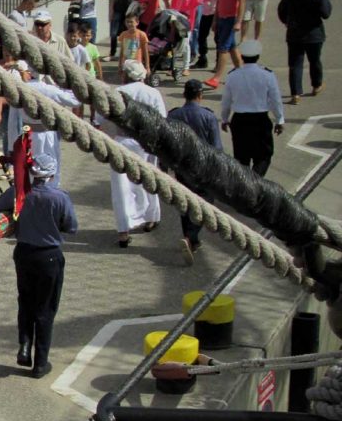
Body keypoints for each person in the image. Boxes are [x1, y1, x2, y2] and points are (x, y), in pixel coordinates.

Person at [0, 154, 77, 379]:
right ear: (51, 174)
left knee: (25, 301)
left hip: (23, 253)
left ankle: (24, 344)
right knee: (45, 309)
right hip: (49, 255)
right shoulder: (60, 197)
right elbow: (71, 226)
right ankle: (40, 362)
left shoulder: (17, 192)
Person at [104, 59, 165, 247]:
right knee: (149, 178)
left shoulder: (119, 93)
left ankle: (123, 229)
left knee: (121, 185)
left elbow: (102, 116)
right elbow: (162, 119)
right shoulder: (153, 93)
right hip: (146, 142)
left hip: (123, 140)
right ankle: (151, 218)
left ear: (125, 75)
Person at [167, 80, 222, 265]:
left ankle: (190, 238)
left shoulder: (174, 115)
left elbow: (167, 142)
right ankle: (191, 237)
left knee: (185, 202)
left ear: (184, 95)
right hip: (203, 167)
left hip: (182, 165)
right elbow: (216, 147)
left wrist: (165, 165)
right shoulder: (208, 116)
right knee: (205, 203)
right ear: (200, 95)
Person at [5, 64, 81, 186]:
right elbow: (75, 101)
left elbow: (12, 121)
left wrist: (11, 147)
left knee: (28, 171)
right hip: (47, 135)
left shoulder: (18, 91)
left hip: (27, 135)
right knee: (50, 169)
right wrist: (68, 84)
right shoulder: (49, 90)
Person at [220, 39, 285, 177]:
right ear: (258, 56)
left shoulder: (233, 75)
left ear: (241, 56)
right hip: (260, 120)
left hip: (240, 120)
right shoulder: (267, 75)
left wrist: (225, 119)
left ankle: (246, 185)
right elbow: (275, 99)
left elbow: (226, 100)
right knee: (263, 156)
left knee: (242, 157)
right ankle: (255, 183)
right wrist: (279, 119)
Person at [277, 0, 332, 105]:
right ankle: (316, 85)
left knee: (295, 64)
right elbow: (326, 14)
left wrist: (287, 22)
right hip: (314, 34)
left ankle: (295, 94)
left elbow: (281, 10)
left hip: (294, 33)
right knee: (315, 61)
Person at [204, 0, 246, 90]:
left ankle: (217, 77)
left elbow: (242, 1)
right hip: (222, 16)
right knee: (231, 47)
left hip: (231, 17)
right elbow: (220, 0)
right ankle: (243, 73)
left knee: (223, 47)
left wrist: (239, 21)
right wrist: (215, 19)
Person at [165, 0, 203, 74]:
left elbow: (199, 1)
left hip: (187, 19)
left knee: (185, 43)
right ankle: (174, 67)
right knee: (174, 42)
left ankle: (186, 67)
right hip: (175, 19)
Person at [195, 0, 224, 70]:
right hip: (205, 11)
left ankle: (218, 63)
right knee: (201, 36)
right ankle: (202, 59)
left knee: (218, 37)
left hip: (216, 10)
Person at [117, 13, 151, 81]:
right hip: (126, 63)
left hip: (137, 63)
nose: (129, 24)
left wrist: (147, 66)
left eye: (131, 22)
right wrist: (120, 65)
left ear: (137, 22)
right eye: (127, 22)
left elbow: (145, 52)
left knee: (139, 81)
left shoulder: (141, 35)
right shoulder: (123, 34)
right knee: (125, 82)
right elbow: (122, 51)